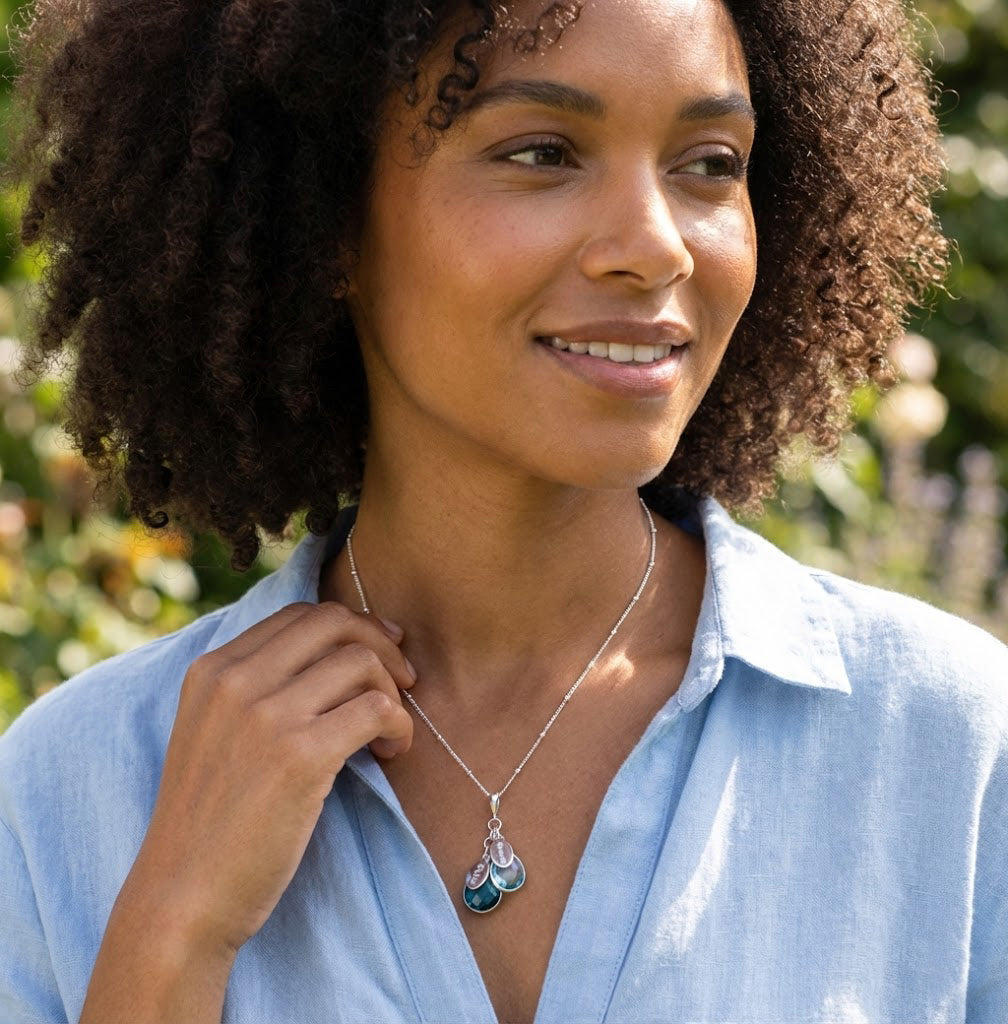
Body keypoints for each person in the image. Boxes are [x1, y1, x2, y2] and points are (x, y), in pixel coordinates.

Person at [1, 0, 1006, 1021]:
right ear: (328, 216)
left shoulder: (952, 751)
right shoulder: (71, 792)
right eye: (542, 152)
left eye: (709, 162)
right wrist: (171, 932)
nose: (656, 248)